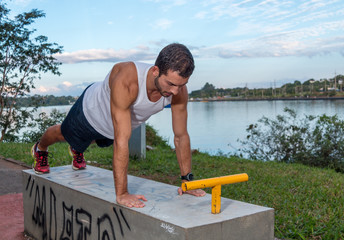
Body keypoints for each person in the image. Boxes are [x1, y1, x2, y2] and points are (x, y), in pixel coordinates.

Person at [31, 43, 206, 208]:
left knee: (91, 142)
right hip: (89, 113)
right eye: (171, 84)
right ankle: (40, 149)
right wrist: (122, 193)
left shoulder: (178, 91)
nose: (175, 91)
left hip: (112, 129)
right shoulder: (127, 79)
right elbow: (122, 140)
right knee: (63, 134)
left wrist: (187, 181)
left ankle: (78, 149)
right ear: (155, 71)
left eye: (182, 85)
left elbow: (181, 136)